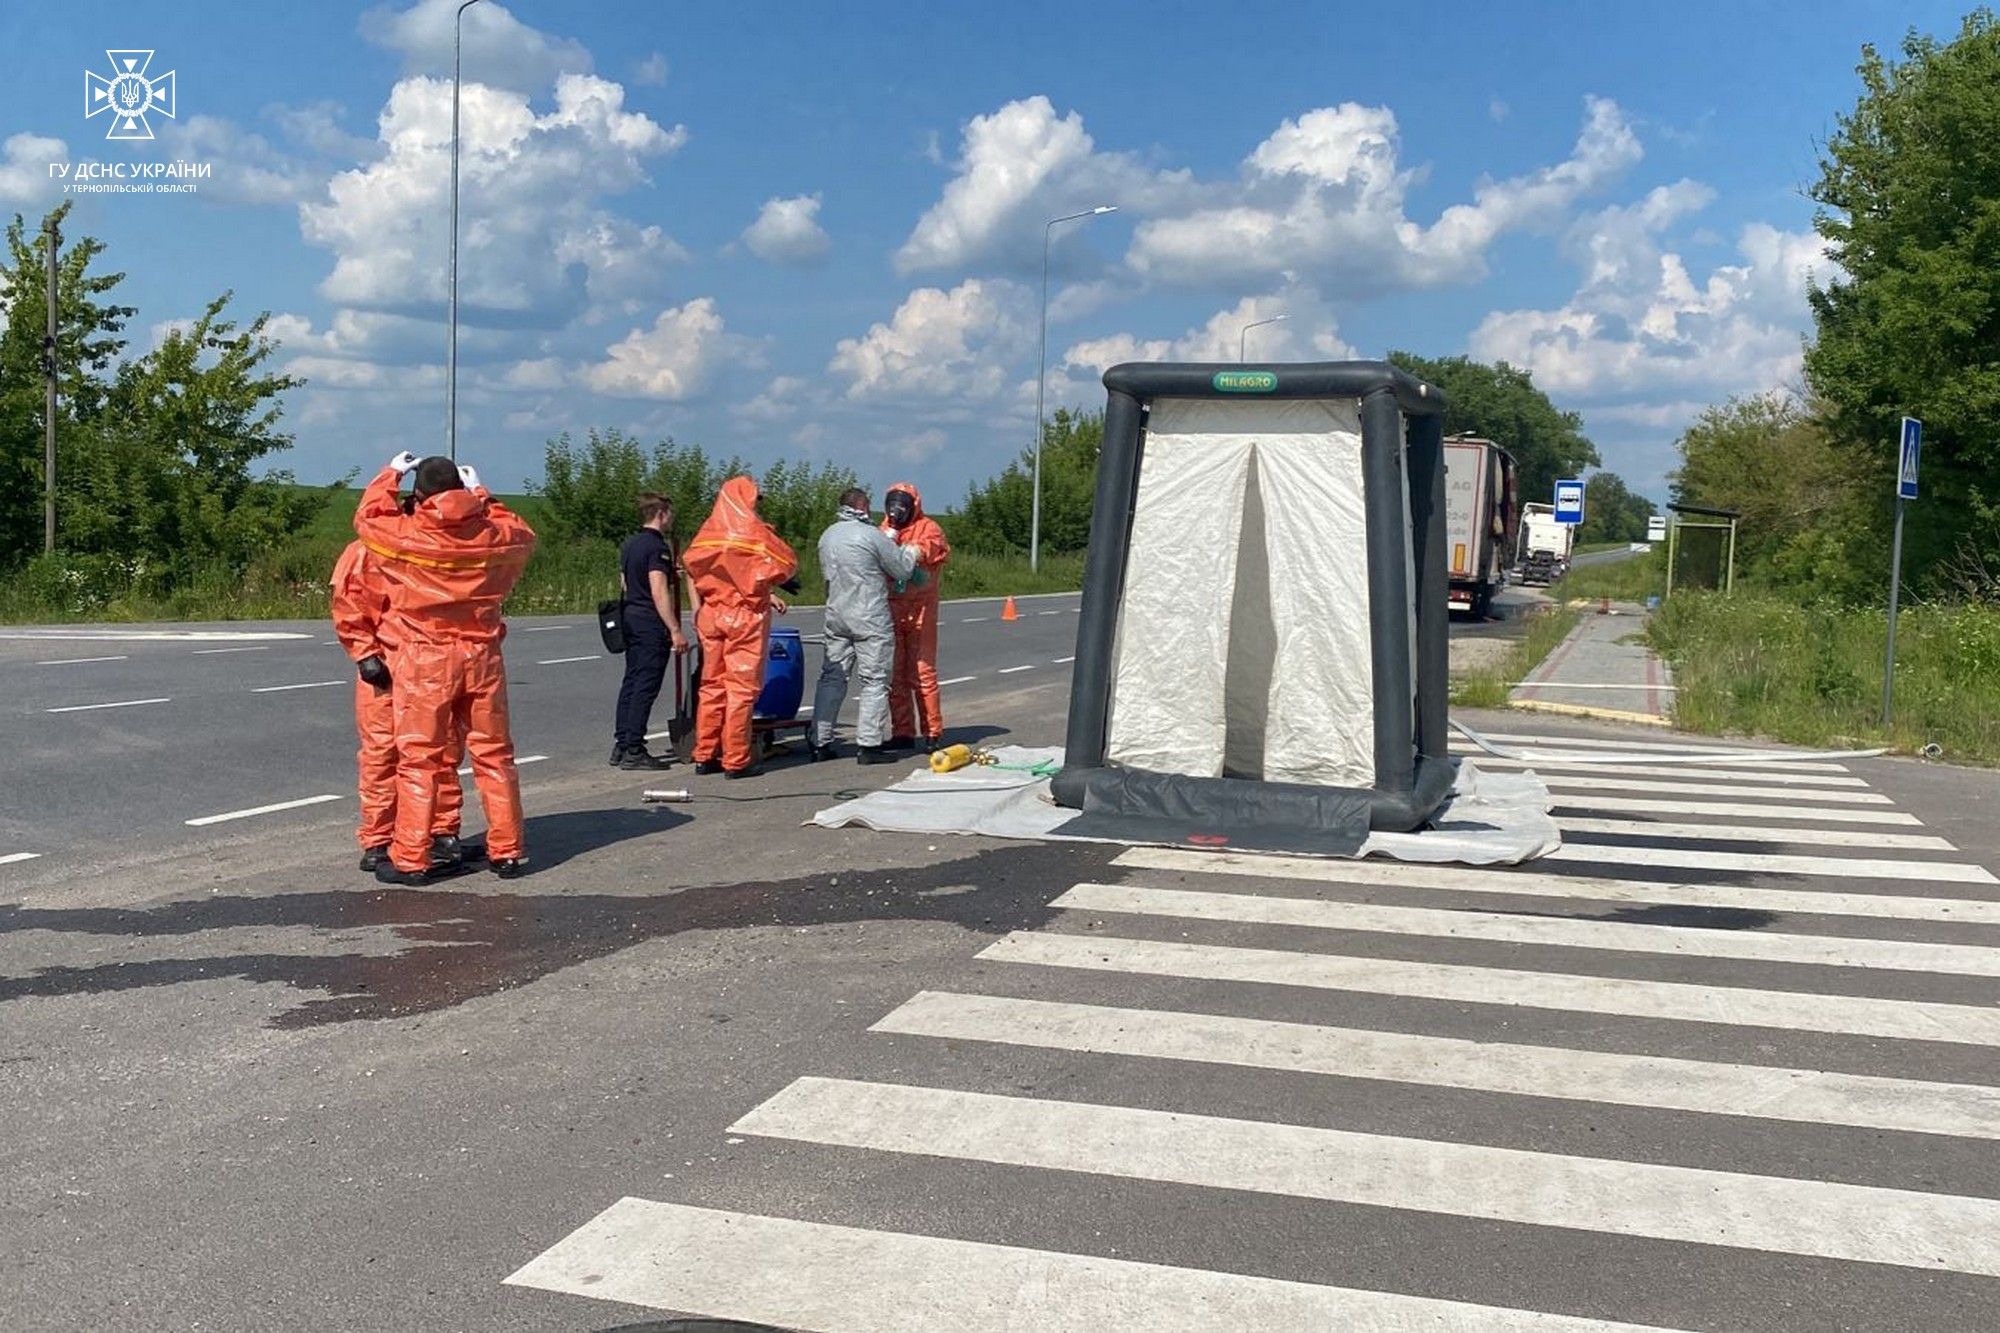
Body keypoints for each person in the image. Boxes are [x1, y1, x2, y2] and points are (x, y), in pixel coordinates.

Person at [353, 452, 537, 884]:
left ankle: (411, 857)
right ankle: (507, 852)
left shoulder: (406, 536)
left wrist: (391, 473)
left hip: (426, 657)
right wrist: (482, 494)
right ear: (459, 489)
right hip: (482, 655)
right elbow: (522, 533)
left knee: (419, 758)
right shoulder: (493, 536)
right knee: (494, 756)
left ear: (419, 496)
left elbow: (367, 517)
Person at [329, 537, 469, 872]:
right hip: (388, 667)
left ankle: (440, 830)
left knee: (441, 749)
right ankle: (379, 838)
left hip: (430, 666)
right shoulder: (368, 549)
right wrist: (364, 654)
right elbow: (348, 602)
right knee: (382, 753)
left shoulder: (435, 545)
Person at [681, 475, 799, 778]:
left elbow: (691, 562)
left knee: (711, 685)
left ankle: (704, 754)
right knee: (741, 689)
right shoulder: (754, 532)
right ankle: (736, 759)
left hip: (712, 611)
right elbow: (787, 563)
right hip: (745, 614)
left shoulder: (709, 530)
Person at [811, 486, 918, 765]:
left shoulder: (828, 535)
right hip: (869, 616)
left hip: (837, 613)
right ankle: (869, 745)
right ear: (863, 506)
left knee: (832, 677)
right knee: (875, 680)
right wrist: (910, 550)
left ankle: (820, 741)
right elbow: (902, 569)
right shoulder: (871, 535)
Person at [610, 491, 692, 770]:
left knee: (631, 681)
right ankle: (635, 748)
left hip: (630, 616)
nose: (671, 519)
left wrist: (670, 574)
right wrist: (675, 629)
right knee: (645, 685)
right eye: (670, 514)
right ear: (661, 514)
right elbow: (658, 591)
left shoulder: (631, 545)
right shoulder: (657, 548)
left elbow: (626, 583)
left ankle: (622, 744)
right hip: (649, 621)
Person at [880, 481, 951, 753]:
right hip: (892, 607)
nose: (897, 509)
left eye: (903, 504)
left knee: (922, 673)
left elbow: (935, 548)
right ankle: (903, 731)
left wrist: (914, 552)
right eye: (893, 503)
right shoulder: (883, 530)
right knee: (895, 674)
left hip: (921, 607)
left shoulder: (929, 528)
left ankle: (932, 731)